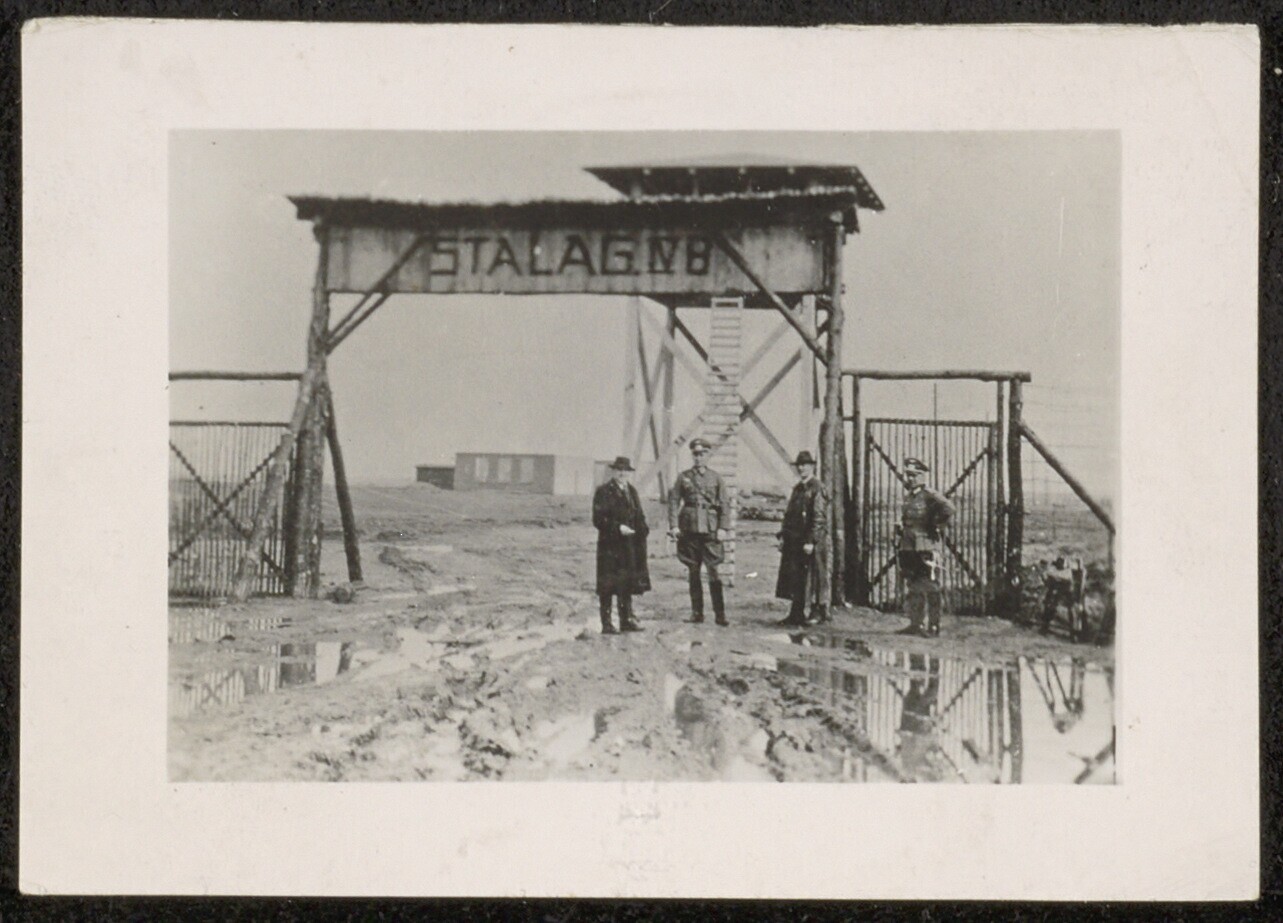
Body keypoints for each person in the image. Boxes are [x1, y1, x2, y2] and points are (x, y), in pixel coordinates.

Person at [668, 438, 729, 626]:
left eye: (702, 454)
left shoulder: (716, 478)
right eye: (695, 454)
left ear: (708, 455)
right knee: (693, 572)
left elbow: (724, 504)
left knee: (713, 572)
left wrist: (723, 527)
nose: (698, 457)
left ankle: (720, 614)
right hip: (689, 529)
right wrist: (674, 525)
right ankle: (697, 613)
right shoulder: (683, 477)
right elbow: (674, 501)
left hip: (710, 530)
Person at [896, 457, 954, 638]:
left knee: (930, 585)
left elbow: (949, 508)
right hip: (909, 546)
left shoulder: (930, 495)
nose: (911, 479)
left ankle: (934, 626)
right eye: (908, 475)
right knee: (913, 584)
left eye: (914, 475)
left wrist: (935, 524)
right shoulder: (909, 497)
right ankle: (916, 624)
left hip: (925, 546)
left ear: (922, 476)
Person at [592, 456, 650, 635]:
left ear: (629, 473)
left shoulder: (631, 491)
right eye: (619, 470)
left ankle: (626, 621)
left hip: (629, 546)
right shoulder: (603, 491)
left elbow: (639, 515)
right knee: (607, 584)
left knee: (626, 582)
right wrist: (618, 528)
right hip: (610, 546)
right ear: (613, 471)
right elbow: (598, 519)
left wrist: (643, 529)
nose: (622, 473)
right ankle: (607, 623)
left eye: (625, 470)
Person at [774, 450, 830, 626]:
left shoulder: (817, 488)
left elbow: (819, 518)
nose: (801, 468)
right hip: (795, 540)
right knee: (796, 577)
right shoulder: (798, 488)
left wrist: (811, 541)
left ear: (812, 467)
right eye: (799, 465)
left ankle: (818, 612)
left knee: (814, 576)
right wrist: (783, 536)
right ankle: (796, 613)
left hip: (811, 541)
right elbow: (789, 515)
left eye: (805, 465)